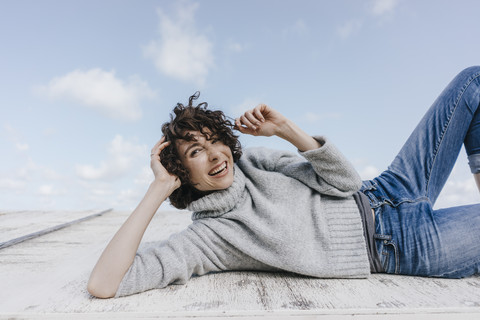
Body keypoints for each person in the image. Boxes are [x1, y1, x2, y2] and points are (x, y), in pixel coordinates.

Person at [87, 66, 480, 299]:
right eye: (195, 153)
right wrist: (158, 189)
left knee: (472, 82)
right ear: (181, 173)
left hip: (388, 189)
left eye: (214, 141)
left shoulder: (254, 161)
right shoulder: (207, 241)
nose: (214, 156)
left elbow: (346, 183)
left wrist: (287, 130)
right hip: (397, 246)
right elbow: (105, 284)